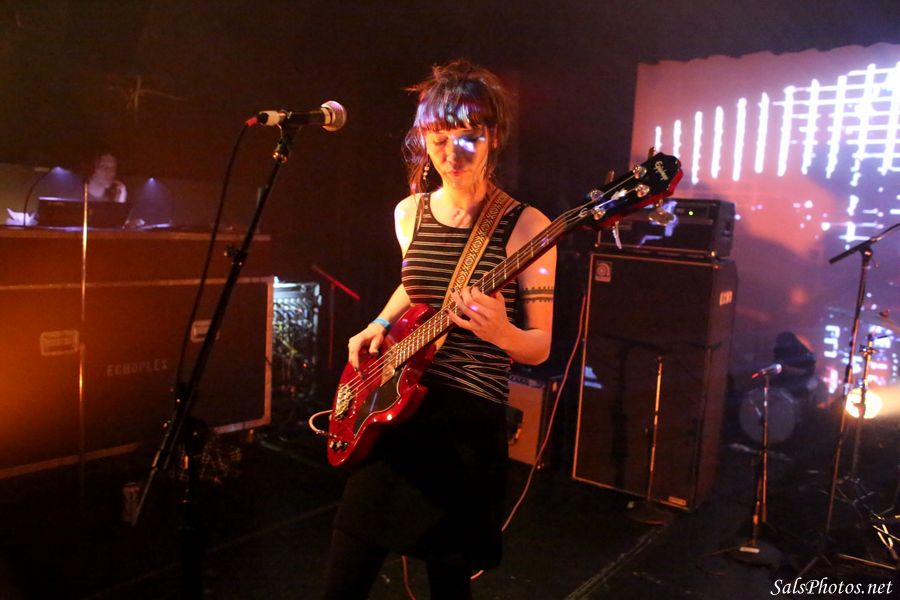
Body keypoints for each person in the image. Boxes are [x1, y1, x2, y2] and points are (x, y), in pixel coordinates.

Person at [322, 60, 556, 599]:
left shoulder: (528, 226)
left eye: (469, 136)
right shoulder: (409, 213)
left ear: (494, 137)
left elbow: (540, 346)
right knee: (345, 572)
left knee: (448, 583)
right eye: (438, 137)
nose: (451, 154)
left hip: (465, 427)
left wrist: (502, 332)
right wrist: (379, 322)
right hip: (396, 409)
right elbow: (418, 284)